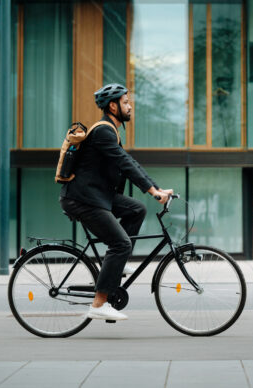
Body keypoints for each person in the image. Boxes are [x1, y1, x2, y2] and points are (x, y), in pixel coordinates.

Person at [59, 83, 172, 321]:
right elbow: (125, 164)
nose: (130, 106)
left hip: (97, 195)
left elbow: (131, 163)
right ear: (113, 105)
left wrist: (157, 188)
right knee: (121, 244)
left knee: (136, 209)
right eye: (126, 102)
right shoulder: (103, 131)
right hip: (82, 198)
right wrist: (153, 191)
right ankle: (99, 304)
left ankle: (116, 267)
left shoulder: (111, 130)